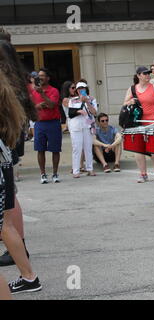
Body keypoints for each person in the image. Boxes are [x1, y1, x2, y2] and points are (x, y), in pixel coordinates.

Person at [0, 62, 41, 295]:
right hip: (4, 159)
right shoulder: (8, 94)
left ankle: (29, 277)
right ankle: (29, 277)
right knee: (5, 226)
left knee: (5, 226)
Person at [124, 67, 154, 182]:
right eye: (145, 73)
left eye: (148, 73)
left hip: (153, 120)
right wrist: (130, 101)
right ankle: (143, 174)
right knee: (138, 149)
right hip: (137, 121)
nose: (147, 75)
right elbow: (124, 104)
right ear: (138, 75)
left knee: (153, 148)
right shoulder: (132, 89)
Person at [30, 67, 61, 184]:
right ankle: (43, 174)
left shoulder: (54, 91)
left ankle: (55, 173)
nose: (40, 78)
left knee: (55, 149)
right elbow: (32, 107)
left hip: (53, 123)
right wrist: (39, 106)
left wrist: (42, 95)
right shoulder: (33, 92)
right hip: (39, 123)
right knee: (40, 149)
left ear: (48, 78)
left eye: (42, 75)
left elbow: (52, 105)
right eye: (39, 76)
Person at [68, 81, 98, 178]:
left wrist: (87, 102)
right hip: (76, 126)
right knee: (77, 148)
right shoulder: (72, 100)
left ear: (86, 89)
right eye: (79, 89)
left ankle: (90, 169)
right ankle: (76, 170)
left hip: (87, 126)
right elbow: (70, 114)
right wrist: (79, 111)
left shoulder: (92, 99)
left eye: (83, 88)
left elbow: (94, 112)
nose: (81, 90)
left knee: (88, 148)